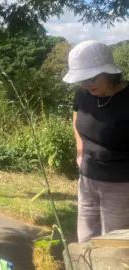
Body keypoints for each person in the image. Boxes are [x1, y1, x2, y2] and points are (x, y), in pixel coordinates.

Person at [65, 40, 129, 243]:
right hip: (87, 178)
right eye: (82, 79)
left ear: (109, 73)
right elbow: (76, 115)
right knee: (85, 239)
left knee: (113, 245)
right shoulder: (83, 94)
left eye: (91, 78)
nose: (86, 84)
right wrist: (80, 149)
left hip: (120, 184)